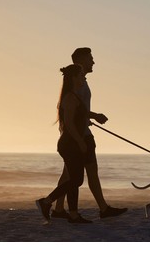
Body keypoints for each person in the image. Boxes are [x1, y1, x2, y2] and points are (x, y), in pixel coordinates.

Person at [50, 47, 127, 219]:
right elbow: (72, 108)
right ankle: (101, 209)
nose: (93, 61)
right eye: (90, 58)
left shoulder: (80, 80)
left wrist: (90, 117)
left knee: (70, 174)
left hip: (78, 133)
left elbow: (78, 110)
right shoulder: (78, 82)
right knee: (85, 173)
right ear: (80, 60)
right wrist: (91, 119)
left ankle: (59, 208)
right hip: (79, 136)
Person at [36, 64, 92, 223]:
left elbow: (77, 118)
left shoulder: (74, 96)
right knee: (76, 180)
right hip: (69, 144)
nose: (84, 77)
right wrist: (81, 141)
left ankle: (73, 214)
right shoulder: (69, 97)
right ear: (74, 78)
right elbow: (68, 123)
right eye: (81, 75)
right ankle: (46, 202)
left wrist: (90, 119)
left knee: (74, 179)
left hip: (72, 143)